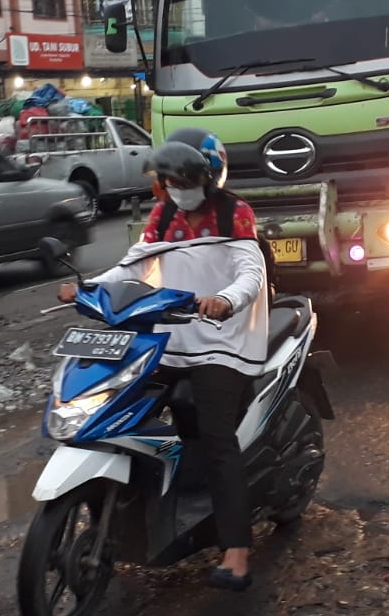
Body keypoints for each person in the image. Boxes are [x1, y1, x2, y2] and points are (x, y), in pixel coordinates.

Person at [58, 132, 268, 592]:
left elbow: (250, 273)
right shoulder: (164, 213)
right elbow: (133, 266)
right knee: (117, 410)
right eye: (168, 180)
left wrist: (225, 300)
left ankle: (236, 548)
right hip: (168, 338)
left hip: (221, 339)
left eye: (184, 179)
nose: (175, 187)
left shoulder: (234, 212)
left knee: (216, 438)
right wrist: (88, 287)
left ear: (208, 178)